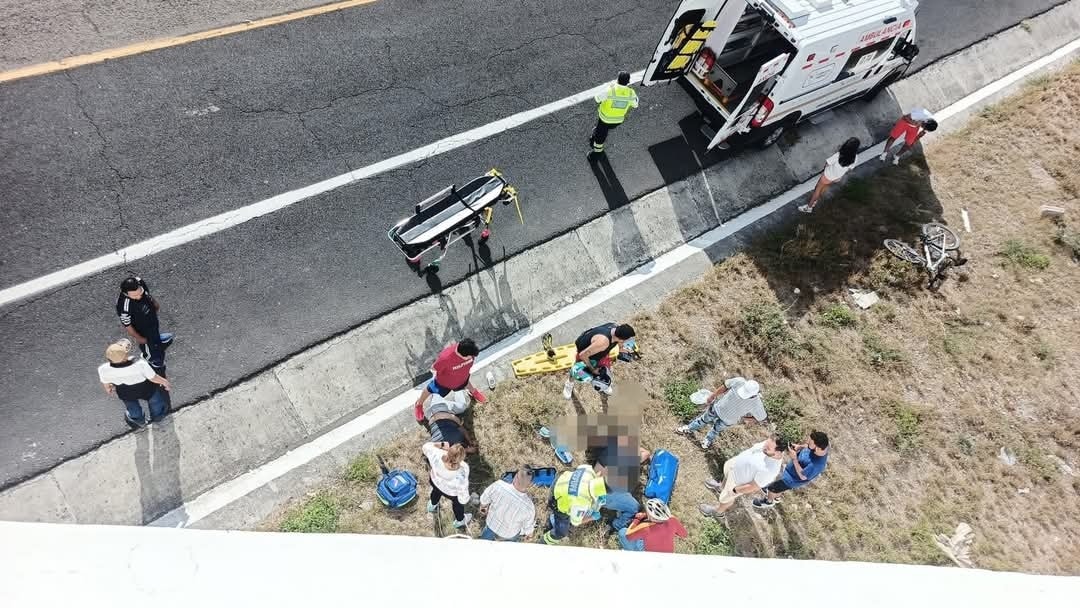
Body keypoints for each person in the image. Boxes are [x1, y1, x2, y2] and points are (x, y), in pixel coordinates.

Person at [698, 435, 788, 518]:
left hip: (737, 482)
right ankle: (721, 487)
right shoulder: (770, 444)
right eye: (765, 443)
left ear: (778, 452)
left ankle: (718, 512)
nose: (764, 447)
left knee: (726, 498)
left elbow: (753, 486)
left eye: (767, 448)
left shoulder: (771, 470)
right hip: (734, 467)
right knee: (726, 480)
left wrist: (735, 490)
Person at [675, 377, 766, 449]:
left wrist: (743, 419)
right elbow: (725, 386)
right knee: (702, 420)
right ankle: (689, 428)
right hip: (718, 408)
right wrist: (713, 395)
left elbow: (761, 418)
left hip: (728, 420)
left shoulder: (757, 403)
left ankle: (707, 440)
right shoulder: (739, 382)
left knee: (716, 430)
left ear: (754, 394)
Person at [97, 340, 172, 428]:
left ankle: (139, 421)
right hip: (146, 388)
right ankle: (157, 418)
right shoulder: (140, 365)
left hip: (125, 391)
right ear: (125, 356)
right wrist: (165, 382)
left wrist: (108, 389)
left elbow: (105, 382)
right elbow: (153, 378)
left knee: (133, 407)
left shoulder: (103, 369)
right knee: (155, 402)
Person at [587, 433, 651, 535]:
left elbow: (646, 453)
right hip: (606, 493)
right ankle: (614, 525)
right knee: (635, 508)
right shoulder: (607, 457)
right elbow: (595, 483)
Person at [414, 339, 486, 422]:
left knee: (466, 382)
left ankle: (473, 392)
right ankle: (419, 404)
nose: (472, 358)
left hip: (462, 378)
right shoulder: (445, 357)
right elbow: (434, 368)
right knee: (430, 389)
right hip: (444, 383)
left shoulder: (469, 351)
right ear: (463, 355)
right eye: (470, 357)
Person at [754, 430, 829, 508]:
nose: (807, 442)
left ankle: (768, 501)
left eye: (810, 442)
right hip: (789, 471)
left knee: (772, 488)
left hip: (791, 480)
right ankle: (776, 497)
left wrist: (794, 459)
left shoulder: (817, 465)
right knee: (778, 487)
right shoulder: (822, 446)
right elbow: (808, 446)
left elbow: (803, 476)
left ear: (817, 448)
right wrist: (800, 446)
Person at [116, 276, 174, 376]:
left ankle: (157, 342)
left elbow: (148, 295)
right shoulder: (123, 306)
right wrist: (139, 338)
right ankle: (151, 359)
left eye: (140, 293)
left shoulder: (140, 282)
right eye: (134, 296)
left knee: (154, 334)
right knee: (148, 344)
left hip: (151, 320)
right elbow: (127, 325)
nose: (139, 296)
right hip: (142, 329)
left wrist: (155, 304)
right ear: (126, 294)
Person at [538, 463, 608, 545]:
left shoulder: (589, 471)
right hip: (556, 499)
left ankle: (553, 519)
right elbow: (575, 522)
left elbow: (578, 469)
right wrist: (591, 517)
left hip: (559, 480)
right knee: (561, 532)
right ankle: (543, 542)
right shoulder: (583, 502)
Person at [563, 322, 636, 400]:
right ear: (621, 339)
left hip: (601, 352)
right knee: (577, 371)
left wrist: (621, 349)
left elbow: (618, 341)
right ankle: (569, 383)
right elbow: (583, 355)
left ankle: (604, 383)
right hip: (586, 353)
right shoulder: (603, 342)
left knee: (605, 369)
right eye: (626, 340)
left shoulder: (615, 327)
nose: (626, 342)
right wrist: (592, 369)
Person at [798, 137, 860, 214]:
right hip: (837, 178)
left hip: (827, 176)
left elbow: (827, 164)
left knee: (817, 189)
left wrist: (825, 171)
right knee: (824, 187)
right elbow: (849, 169)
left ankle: (809, 207)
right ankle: (815, 200)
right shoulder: (855, 158)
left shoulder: (838, 155)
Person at [422, 441, 473, 528]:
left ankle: (432, 506)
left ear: (448, 451)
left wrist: (442, 445)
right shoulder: (463, 469)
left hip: (435, 482)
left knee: (435, 493)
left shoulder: (437, 454)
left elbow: (426, 446)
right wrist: (464, 499)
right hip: (451, 492)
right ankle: (460, 520)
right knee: (457, 505)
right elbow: (463, 488)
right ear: (461, 458)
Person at [478, 467, 536, 541]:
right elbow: (528, 529)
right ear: (530, 484)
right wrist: (529, 536)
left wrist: (483, 508)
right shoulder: (529, 507)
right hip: (509, 535)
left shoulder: (498, 486)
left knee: (484, 544)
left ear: (515, 477)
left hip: (491, 525)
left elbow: (484, 499)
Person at [589, 71, 639, 155]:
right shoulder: (631, 93)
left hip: (604, 119)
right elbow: (635, 105)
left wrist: (607, 87)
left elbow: (597, 98)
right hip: (617, 121)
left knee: (600, 137)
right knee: (601, 130)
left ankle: (596, 153)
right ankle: (595, 134)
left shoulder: (610, 90)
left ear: (617, 80)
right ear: (628, 82)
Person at [618, 498, 687, 553]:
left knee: (622, 532)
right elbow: (684, 534)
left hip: (649, 555)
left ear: (651, 517)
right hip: (667, 557)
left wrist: (636, 519)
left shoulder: (645, 527)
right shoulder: (672, 520)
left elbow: (628, 536)